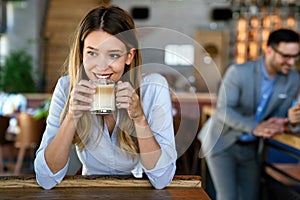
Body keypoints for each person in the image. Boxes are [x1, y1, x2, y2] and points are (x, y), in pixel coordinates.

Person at [34, 5, 177, 190]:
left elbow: (162, 179)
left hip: (139, 192)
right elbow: (45, 178)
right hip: (90, 191)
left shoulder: (154, 88)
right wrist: (71, 117)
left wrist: (139, 118)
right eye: (92, 53)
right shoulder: (66, 87)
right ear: (82, 53)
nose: (101, 67)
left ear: (129, 56)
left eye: (113, 55)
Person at [198, 28, 300, 200]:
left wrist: (292, 121)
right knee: (228, 197)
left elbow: (280, 117)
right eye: (286, 56)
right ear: (269, 50)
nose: (291, 62)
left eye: (295, 56)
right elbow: (223, 111)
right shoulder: (238, 72)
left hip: (252, 149)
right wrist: (256, 127)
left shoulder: (293, 79)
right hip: (222, 142)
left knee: (249, 197)